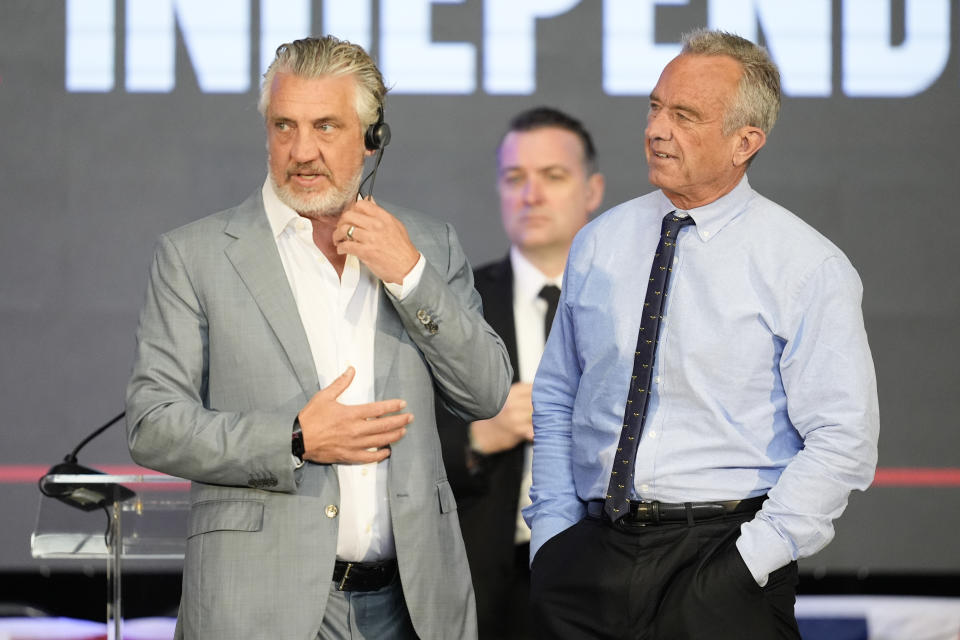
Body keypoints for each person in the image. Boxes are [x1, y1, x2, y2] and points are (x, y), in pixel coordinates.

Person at [125, 36, 511, 640]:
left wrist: (410, 276)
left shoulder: (427, 245)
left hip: (412, 605)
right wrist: (296, 438)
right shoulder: (194, 255)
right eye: (284, 126)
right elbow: (154, 424)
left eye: (326, 126)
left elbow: (486, 393)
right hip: (259, 605)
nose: (301, 151)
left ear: (371, 136)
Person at [524, 29, 879, 639]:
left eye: (684, 115)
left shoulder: (805, 266)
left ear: (746, 142)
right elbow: (559, 395)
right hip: (589, 559)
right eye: (656, 107)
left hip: (724, 563)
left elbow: (843, 440)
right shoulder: (599, 242)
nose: (657, 129)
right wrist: (553, 537)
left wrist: (750, 562)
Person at [439, 107, 605, 639]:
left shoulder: (633, 305)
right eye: (515, 178)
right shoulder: (454, 307)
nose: (530, 194)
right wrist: (477, 437)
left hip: (606, 577)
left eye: (552, 176)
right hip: (484, 584)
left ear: (592, 190)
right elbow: (400, 436)